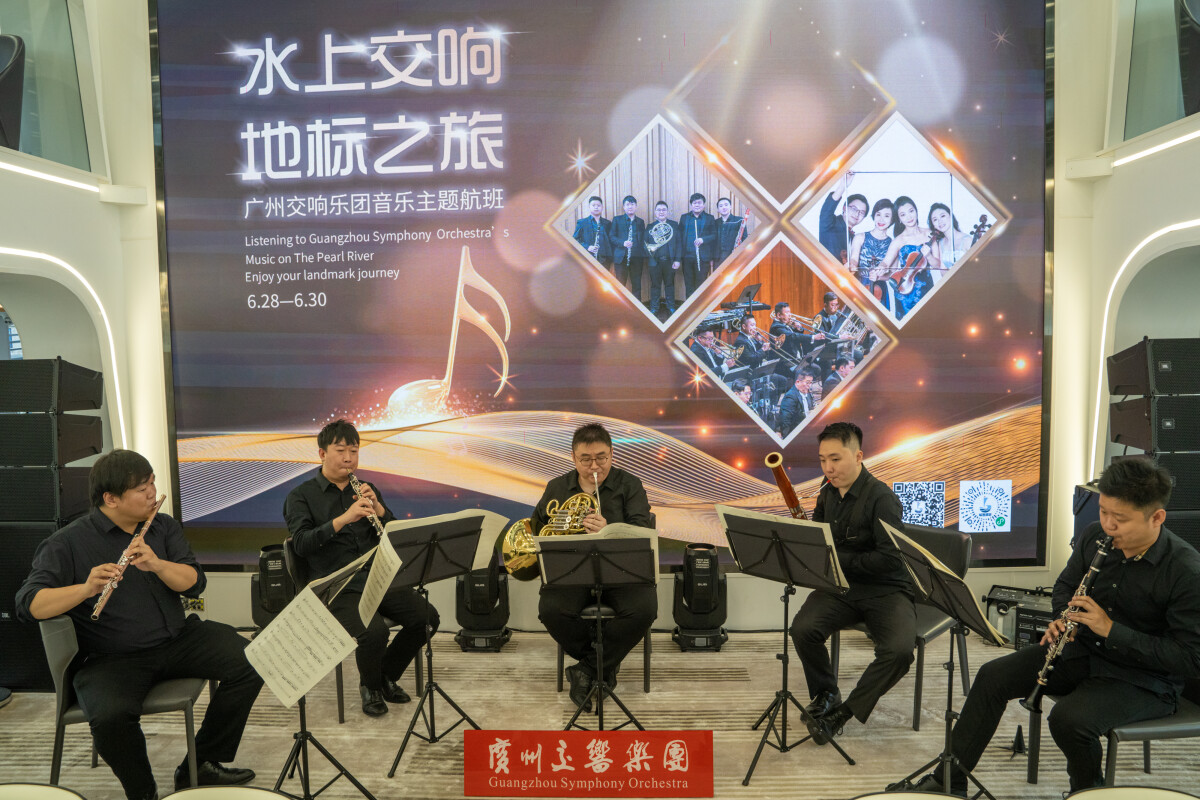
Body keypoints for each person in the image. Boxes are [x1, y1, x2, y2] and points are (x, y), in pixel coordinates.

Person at [906, 458, 1200, 797]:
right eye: (1103, 511)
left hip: (1145, 679)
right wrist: (1063, 616)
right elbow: (1065, 586)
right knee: (992, 676)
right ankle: (949, 782)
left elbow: (1190, 659)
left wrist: (1110, 629)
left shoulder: (1186, 571)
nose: (1108, 525)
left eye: (1119, 519)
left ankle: (1088, 793)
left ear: (1157, 517)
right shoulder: (1095, 536)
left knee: (1069, 720)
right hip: (1085, 650)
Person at [16, 450, 262, 799]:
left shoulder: (163, 526)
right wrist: (85, 589)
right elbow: (29, 605)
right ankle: (143, 793)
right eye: (142, 488)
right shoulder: (67, 543)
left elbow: (195, 582)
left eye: (152, 483)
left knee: (255, 660)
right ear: (111, 499)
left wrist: (158, 565)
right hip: (112, 657)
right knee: (110, 718)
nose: (152, 493)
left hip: (178, 639)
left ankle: (201, 763)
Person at [283, 419, 438, 717]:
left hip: (376, 577)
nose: (348, 458)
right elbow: (300, 544)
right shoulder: (300, 496)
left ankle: (383, 675)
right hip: (337, 585)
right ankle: (371, 688)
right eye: (341, 450)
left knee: (427, 618)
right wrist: (344, 519)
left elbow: (392, 534)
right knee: (374, 632)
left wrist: (379, 509)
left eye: (354, 451)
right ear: (322, 454)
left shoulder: (367, 488)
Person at [789, 422, 914, 745]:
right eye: (822, 460)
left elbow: (891, 560)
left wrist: (838, 558)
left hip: (885, 589)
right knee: (802, 629)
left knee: (899, 651)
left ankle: (842, 713)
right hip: (841, 587)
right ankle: (826, 693)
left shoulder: (883, 499)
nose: (828, 468)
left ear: (858, 456)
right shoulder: (827, 492)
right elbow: (819, 540)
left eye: (836, 459)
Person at [534, 423, 657, 712]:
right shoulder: (557, 487)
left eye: (601, 457)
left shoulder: (630, 485)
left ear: (612, 454)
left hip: (621, 571)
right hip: (572, 571)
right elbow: (538, 527)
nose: (594, 466)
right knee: (551, 610)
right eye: (585, 459)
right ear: (573, 458)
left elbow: (642, 530)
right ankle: (603, 666)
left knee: (644, 610)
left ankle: (586, 670)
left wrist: (609, 529)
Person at [876, 195, 934, 321]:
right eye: (903, 215)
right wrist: (880, 268)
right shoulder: (898, 240)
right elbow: (885, 262)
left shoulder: (930, 233)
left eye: (911, 211)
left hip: (927, 288)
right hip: (904, 291)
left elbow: (938, 263)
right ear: (899, 219)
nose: (909, 217)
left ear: (916, 211)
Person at [848, 198, 894, 310]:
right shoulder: (860, 237)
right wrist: (852, 264)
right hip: (860, 285)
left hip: (879, 290)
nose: (881, 219)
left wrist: (879, 277)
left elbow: (891, 274)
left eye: (887, 216)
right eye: (878, 214)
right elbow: (854, 258)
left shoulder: (893, 244)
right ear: (874, 215)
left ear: (892, 219)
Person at [818, 171, 868, 263]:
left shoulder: (855, 238)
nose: (857, 214)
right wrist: (843, 185)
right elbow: (827, 209)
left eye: (861, 212)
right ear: (844, 208)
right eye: (854, 208)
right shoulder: (830, 224)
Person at [645, 200, 682, 314]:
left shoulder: (674, 225)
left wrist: (677, 260)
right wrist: (651, 254)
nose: (661, 212)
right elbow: (645, 244)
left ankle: (671, 306)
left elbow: (679, 243)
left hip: (670, 261)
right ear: (655, 212)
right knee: (655, 285)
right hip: (654, 261)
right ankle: (654, 307)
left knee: (670, 284)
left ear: (667, 212)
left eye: (663, 210)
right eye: (659, 210)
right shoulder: (650, 226)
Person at [678, 193, 717, 299]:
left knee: (701, 285)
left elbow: (714, 235)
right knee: (689, 285)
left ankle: (700, 307)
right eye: (694, 203)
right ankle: (690, 307)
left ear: (704, 205)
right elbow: (679, 237)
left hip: (703, 258)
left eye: (699, 203)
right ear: (691, 205)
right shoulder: (684, 218)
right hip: (687, 257)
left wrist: (703, 239)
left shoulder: (709, 218)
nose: (697, 205)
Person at [609, 195, 647, 302]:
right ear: (624, 207)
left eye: (632, 204)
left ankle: (637, 308)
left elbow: (642, 240)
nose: (630, 207)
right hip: (621, 257)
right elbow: (611, 237)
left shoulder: (640, 222)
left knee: (637, 285)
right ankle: (620, 307)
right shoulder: (617, 220)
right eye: (627, 204)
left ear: (636, 206)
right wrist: (623, 243)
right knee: (620, 285)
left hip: (636, 258)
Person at [926, 202, 972, 282]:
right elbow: (943, 271)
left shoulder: (967, 240)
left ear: (950, 217)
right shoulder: (941, 243)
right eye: (935, 220)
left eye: (942, 216)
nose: (940, 221)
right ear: (933, 225)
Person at [776, 368, 818, 438]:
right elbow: (785, 421)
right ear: (798, 382)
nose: (809, 385)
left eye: (811, 382)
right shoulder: (790, 397)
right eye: (807, 382)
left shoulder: (807, 393)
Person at [572, 196, 612, 265]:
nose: (596, 207)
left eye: (598, 205)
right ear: (589, 207)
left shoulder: (607, 223)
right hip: (587, 259)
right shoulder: (582, 223)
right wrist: (588, 247)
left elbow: (611, 240)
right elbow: (575, 240)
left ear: (602, 207)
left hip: (605, 260)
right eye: (593, 205)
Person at [715, 197, 746, 265]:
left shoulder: (739, 220)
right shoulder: (715, 222)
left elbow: (745, 239)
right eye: (721, 206)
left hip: (735, 256)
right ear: (718, 210)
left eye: (726, 205)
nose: (724, 207)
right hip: (718, 258)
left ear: (730, 207)